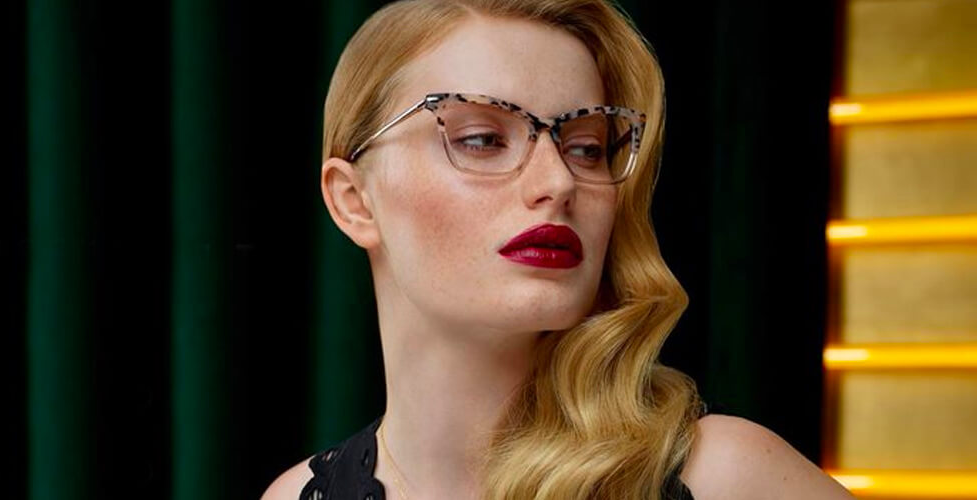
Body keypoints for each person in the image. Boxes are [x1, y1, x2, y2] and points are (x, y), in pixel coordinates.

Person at [262, 0, 855, 498]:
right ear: (353, 202)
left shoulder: (724, 475)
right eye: (482, 139)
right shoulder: (297, 496)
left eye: (587, 148)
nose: (559, 182)